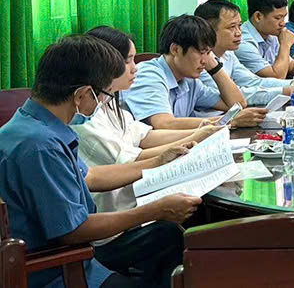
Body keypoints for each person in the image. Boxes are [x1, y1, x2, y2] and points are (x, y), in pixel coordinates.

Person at [0, 35, 202, 288]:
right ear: (82, 94)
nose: (105, 103)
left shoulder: (30, 124)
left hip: (69, 257)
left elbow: (90, 177)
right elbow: (74, 230)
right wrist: (155, 210)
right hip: (59, 270)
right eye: (105, 95)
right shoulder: (41, 147)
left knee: (167, 236)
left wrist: (158, 161)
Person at [74, 26, 223, 215]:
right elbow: (131, 159)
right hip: (118, 210)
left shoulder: (108, 102)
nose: (135, 67)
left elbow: (144, 136)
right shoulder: (84, 117)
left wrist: (200, 132)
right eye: (127, 61)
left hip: (135, 198)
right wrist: (195, 138)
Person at [125, 15, 265, 130]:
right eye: (201, 52)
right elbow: (164, 124)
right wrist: (229, 120)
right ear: (175, 49)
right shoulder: (149, 74)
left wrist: (215, 67)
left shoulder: (190, 82)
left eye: (208, 53)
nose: (205, 61)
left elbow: (236, 105)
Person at [194, 0, 294, 105]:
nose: (238, 33)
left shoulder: (228, 54)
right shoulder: (201, 62)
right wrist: (285, 91)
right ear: (208, 30)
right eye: (231, 27)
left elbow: (253, 82)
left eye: (239, 25)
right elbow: (231, 97)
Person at [234, 0, 294, 79]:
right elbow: (277, 76)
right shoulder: (242, 42)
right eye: (277, 18)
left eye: (284, 17)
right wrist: (285, 45)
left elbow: (291, 65)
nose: (283, 23)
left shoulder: (271, 34)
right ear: (258, 17)